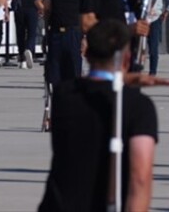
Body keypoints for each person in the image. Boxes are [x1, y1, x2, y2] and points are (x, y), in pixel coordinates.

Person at [38, 20, 159, 212]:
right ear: (127, 60)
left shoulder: (64, 95)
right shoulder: (138, 107)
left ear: (86, 53)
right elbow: (140, 177)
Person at [41, 0, 84, 87]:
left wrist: (86, 37)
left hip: (74, 33)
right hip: (55, 33)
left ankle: (74, 104)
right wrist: (45, 33)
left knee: (73, 73)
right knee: (54, 74)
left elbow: (87, 12)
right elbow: (47, 9)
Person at [11, 0, 43, 69]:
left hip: (19, 9)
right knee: (31, 32)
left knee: (20, 33)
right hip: (32, 9)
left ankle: (22, 60)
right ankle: (29, 49)